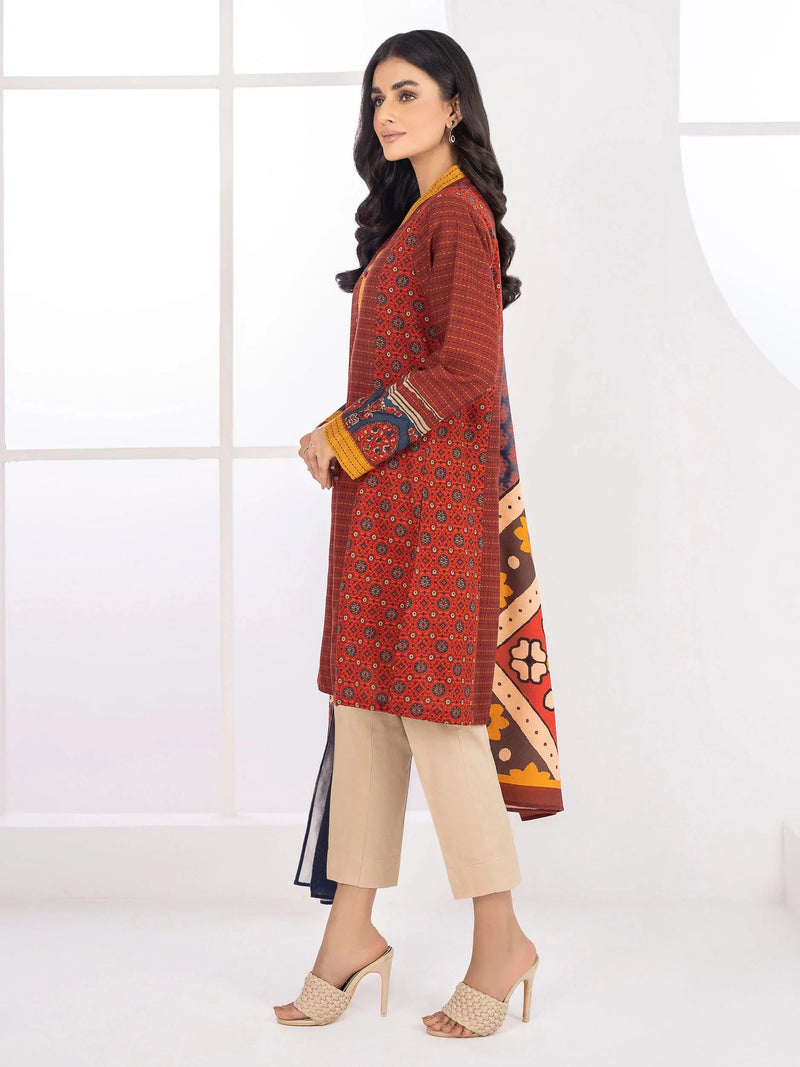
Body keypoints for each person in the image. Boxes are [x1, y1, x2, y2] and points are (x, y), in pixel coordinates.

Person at [275, 28, 562, 1038]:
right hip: (380, 510)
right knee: (363, 710)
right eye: (375, 98)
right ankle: (349, 931)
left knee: (440, 722)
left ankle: (501, 939)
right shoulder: (410, 220)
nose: (385, 112)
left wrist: (345, 434)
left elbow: (465, 370)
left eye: (405, 93)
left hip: (436, 515)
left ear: (453, 106)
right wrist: (347, 444)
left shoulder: (459, 218)